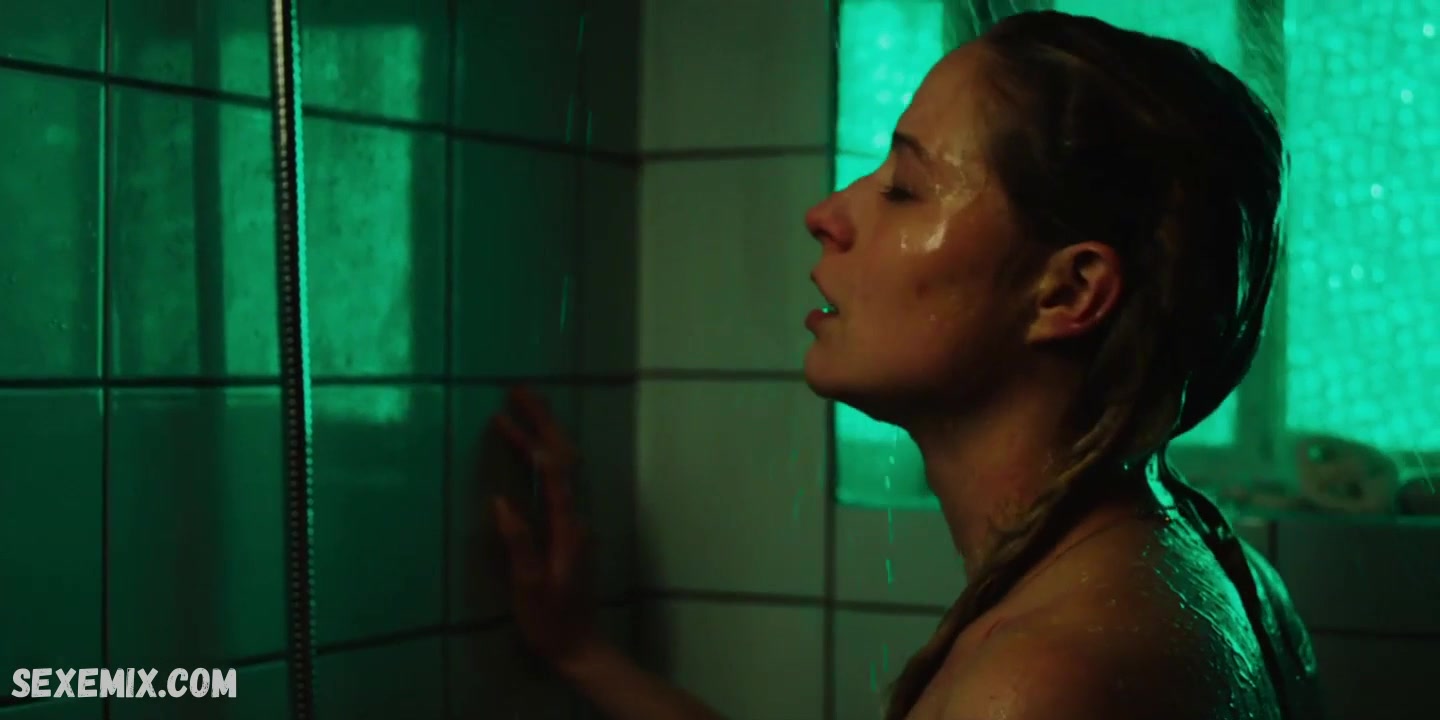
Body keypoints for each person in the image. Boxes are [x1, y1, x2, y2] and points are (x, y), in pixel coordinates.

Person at [487, 10, 1324, 720]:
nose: (826, 214)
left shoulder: (1032, 685)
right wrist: (583, 652)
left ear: (1069, 291)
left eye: (904, 189)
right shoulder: (1214, 567)